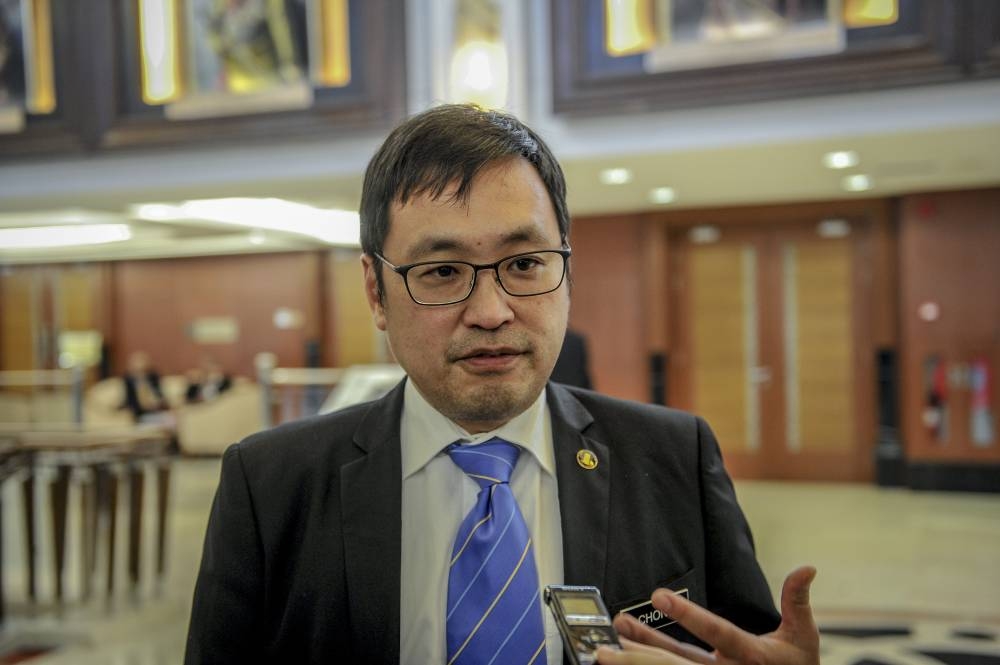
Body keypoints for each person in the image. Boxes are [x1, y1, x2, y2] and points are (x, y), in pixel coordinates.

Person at [185, 104, 817, 664]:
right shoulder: (270, 487)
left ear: (566, 271)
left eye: (523, 264)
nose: (491, 311)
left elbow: (745, 647)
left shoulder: (675, 458)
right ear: (376, 293)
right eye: (440, 271)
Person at [121, 350, 169, 421]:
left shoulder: (153, 377)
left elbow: (160, 394)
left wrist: (158, 402)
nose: (140, 365)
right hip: (139, 412)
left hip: (157, 410)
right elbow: (129, 400)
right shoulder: (128, 380)